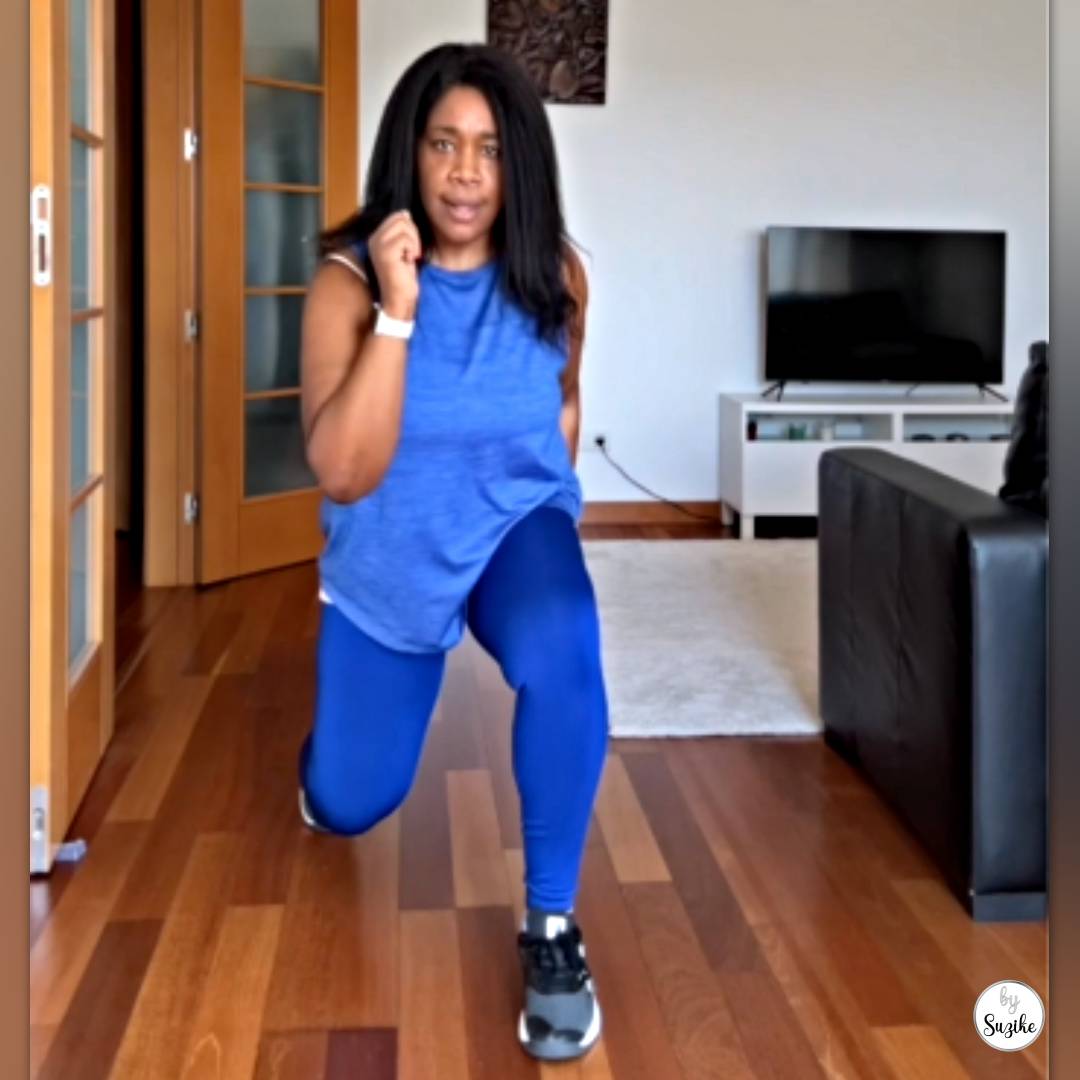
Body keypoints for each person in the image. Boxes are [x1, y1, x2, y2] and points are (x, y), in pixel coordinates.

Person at [295, 43, 610, 1062]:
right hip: (391, 554)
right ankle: (322, 766)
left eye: (486, 148)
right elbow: (342, 473)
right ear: (412, 156)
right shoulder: (346, 286)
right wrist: (399, 311)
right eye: (443, 144)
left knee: (566, 641)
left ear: (517, 163)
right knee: (352, 802)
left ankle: (553, 927)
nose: (465, 171)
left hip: (513, 531)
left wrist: (549, 521)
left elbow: (561, 411)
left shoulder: (556, 277)